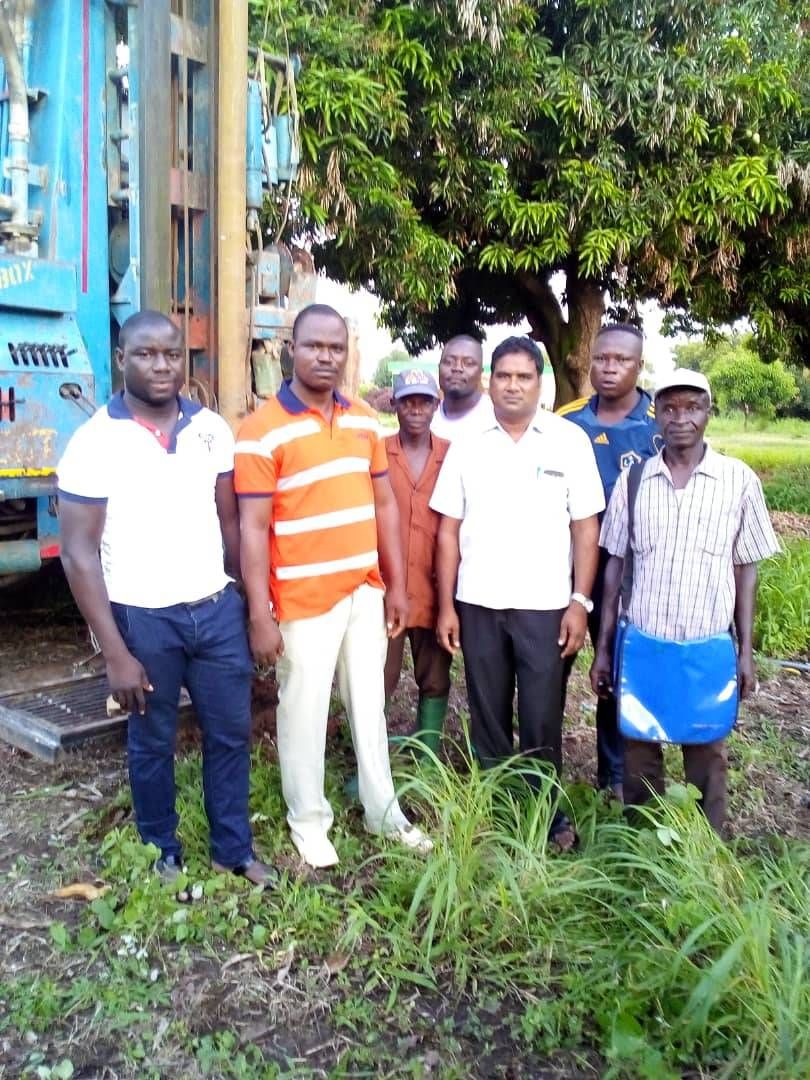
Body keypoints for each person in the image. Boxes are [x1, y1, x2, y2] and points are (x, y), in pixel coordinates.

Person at [57, 311, 275, 887]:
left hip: (216, 611)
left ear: (184, 360)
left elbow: (230, 525)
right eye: (146, 354)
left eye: (171, 355)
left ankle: (233, 849)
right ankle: (162, 851)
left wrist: (247, 604)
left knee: (230, 734)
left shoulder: (212, 430)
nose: (161, 366)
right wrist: (115, 653)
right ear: (121, 359)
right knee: (151, 741)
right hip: (142, 619)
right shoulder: (94, 442)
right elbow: (78, 554)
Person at [235, 303, 432, 869]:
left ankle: (383, 813)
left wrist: (395, 586)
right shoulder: (260, 431)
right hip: (302, 600)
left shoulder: (365, 419)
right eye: (314, 345)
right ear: (290, 351)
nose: (326, 356)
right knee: (304, 710)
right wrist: (259, 614)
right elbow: (253, 528)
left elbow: (384, 504)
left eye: (336, 347)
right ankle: (309, 820)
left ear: (347, 354)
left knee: (370, 706)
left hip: (363, 590)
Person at [430, 336, 604, 850]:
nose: (512, 386)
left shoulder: (568, 441)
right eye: (503, 376)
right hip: (478, 601)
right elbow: (447, 530)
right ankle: (495, 805)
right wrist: (446, 606)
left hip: (545, 606)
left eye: (523, 377)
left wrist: (580, 602)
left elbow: (586, 527)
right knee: (486, 710)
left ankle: (545, 811)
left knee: (541, 714)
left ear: (540, 383)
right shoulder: (468, 442)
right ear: (489, 381)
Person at [591, 369, 780, 832]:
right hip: (644, 642)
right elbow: (614, 568)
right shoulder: (635, 481)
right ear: (656, 415)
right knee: (639, 746)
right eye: (670, 408)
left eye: (692, 408)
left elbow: (746, 570)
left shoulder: (738, 480)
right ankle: (641, 840)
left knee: (707, 748)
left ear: (708, 413)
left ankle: (707, 845)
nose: (681, 419)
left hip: (707, 643)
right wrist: (604, 649)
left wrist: (745, 652)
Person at [557, 323, 660, 798]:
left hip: (632, 573)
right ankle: (543, 763)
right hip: (569, 566)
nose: (609, 368)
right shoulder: (568, 420)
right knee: (552, 663)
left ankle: (614, 776)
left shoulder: (659, 423)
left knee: (617, 671)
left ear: (639, 365)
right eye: (601, 358)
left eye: (621, 360)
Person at [384, 370, 451, 754]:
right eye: (407, 401)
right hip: (386, 586)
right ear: (394, 405)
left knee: (435, 675)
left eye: (424, 402)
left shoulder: (451, 455)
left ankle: (428, 755)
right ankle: (372, 760)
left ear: (436, 405)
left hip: (434, 586)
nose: (415, 410)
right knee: (380, 676)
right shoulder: (378, 452)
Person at [430, 334, 495, 440]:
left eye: (469, 363)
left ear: (480, 372)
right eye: (449, 362)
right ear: (439, 367)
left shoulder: (497, 418)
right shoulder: (425, 417)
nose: (457, 368)